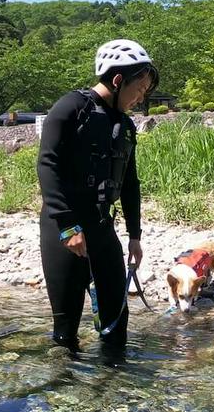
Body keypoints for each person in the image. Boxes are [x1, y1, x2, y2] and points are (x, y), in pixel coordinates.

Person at [37, 39, 158, 353]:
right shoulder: (71, 108)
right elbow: (47, 165)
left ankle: (115, 394)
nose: (141, 97)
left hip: (103, 229)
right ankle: (65, 395)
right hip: (64, 230)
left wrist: (134, 235)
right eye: (140, 88)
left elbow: (130, 182)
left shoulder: (126, 125)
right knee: (66, 334)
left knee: (116, 328)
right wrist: (66, 225)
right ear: (118, 80)